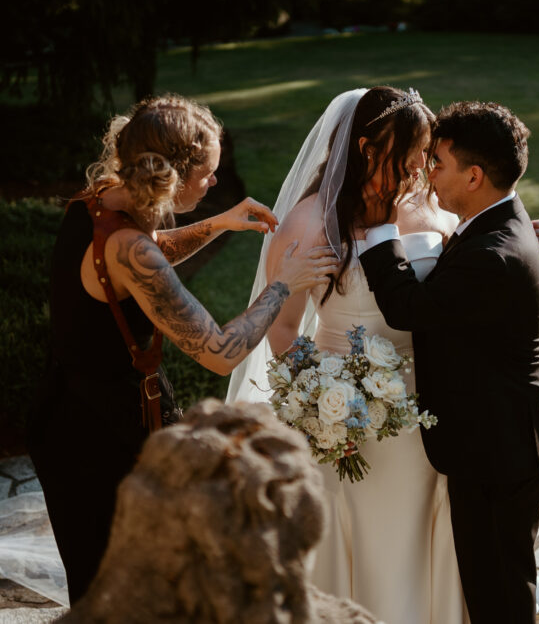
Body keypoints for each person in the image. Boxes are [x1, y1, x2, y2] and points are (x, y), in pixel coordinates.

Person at [226, 87, 539, 623]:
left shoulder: (434, 206)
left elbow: (468, 272)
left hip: (438, 414)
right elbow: (283, 329)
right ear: (365, 149)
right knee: (365, 537)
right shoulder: (312, 222)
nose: (419, 170)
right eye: (410, 157)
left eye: (428, 156)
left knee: (442, 535)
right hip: (351, 419)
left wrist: (516, 242)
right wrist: (320, 399)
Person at [28, 94, 337, 604]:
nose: (214, 182)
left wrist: (217, 223)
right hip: (95, 438)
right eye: (208, 173)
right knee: (118, 589)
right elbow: (219, 351)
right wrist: (283, 284)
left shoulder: (103, 196)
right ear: (171, 175)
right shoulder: (129, 248)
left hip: (78, 406)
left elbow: (145, 264)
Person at [358, 101, 539, 624]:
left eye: (440, 164)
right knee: (494, 582)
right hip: (500, 438)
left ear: (474, 176)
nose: (429, 173)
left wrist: (377, 230)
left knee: (497, 595)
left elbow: (410, 308)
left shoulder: (493, 253)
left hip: (499, 449)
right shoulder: (493, 225)